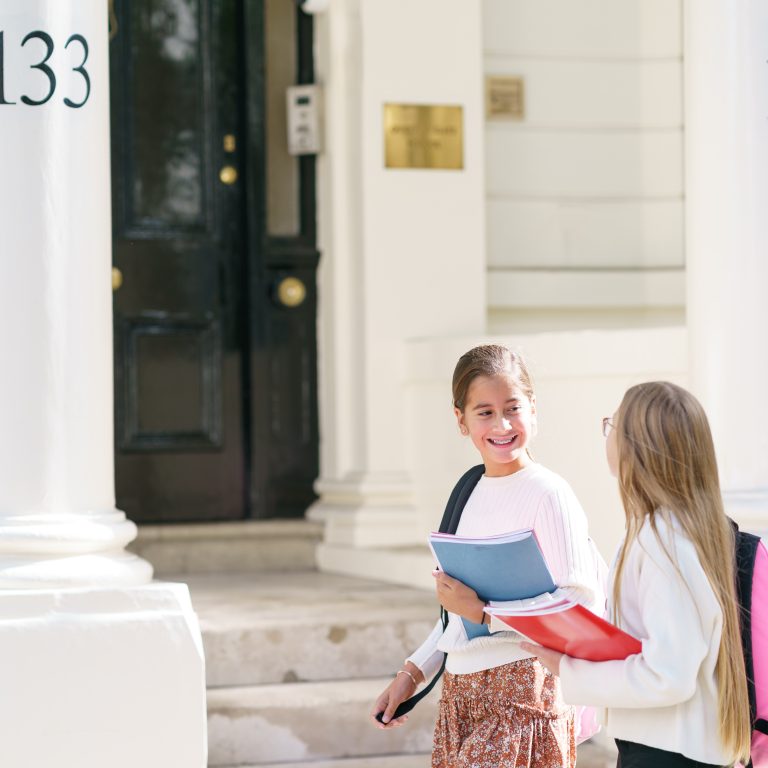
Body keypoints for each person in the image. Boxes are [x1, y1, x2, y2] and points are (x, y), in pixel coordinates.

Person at [369, 344, 606, 768]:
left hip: (523, 698)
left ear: (533, 408)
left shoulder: (549, 493)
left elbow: (579, 603)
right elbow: (455, 614)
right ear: (460, 420)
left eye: (513, 408)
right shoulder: (467, 491)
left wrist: (485, 614)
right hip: (459, 698)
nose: (502, 424)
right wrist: (411, 673)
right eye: (484, 412)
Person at [524, 381, 752, 768]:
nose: (607, 434)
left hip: (667, 754)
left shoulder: (663, 539)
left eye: (613, 423)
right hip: (676, 747)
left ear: (637, 447)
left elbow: (669, 674)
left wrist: (569, 669)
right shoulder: (684, 529)